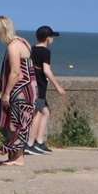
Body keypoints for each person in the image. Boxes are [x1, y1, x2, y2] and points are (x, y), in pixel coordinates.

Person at [0, 16, 36, 166]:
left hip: (19, 90)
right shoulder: (24, 42)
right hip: (29, 89)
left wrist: (6, 93)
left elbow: (16, 72)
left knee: (13, 124)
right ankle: (15, 156)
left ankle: (17, 158)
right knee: (21, 124)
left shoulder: (13, 47)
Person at [27, 26, 67, 154]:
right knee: (38, 114)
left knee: (45, 112)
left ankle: (39, 142)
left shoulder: (31, 49)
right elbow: (46, 70)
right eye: (52, 37)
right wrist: (58, 86)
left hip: (32, 85)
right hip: (40, 87)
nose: (53, 39)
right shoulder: (45, 51)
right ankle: (30, 144)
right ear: (47, 38)